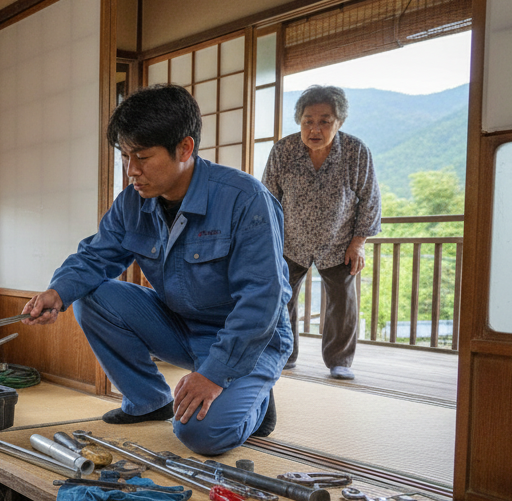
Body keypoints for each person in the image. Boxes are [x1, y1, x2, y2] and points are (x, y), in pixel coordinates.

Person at [21, 85, 291, 456]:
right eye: (125, 156)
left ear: (184, 148)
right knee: (91, 296)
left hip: (249, 338)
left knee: (201, 434)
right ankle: (149, 401)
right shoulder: (133, 201)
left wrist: (214, 375)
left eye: (143, 157)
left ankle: (253, 402)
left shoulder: (245, 199)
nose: (132, 171)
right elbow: (95, 257)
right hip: (182, 325)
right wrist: (57, 292)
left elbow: (263, 300)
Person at [262, 85, 381, 380]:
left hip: (339, 242)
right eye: (308, 121)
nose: (315, 128)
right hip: (290, 241)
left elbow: (370, 199)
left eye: (324, 121)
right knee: (280, 298)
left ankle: (340, 360)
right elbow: (267, 198)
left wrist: (358, 243)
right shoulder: (283, 150)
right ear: (299, 121)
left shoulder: (356, 152)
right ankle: (284, 354)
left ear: (338, 122)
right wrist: (269, 241)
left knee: (342, 302)